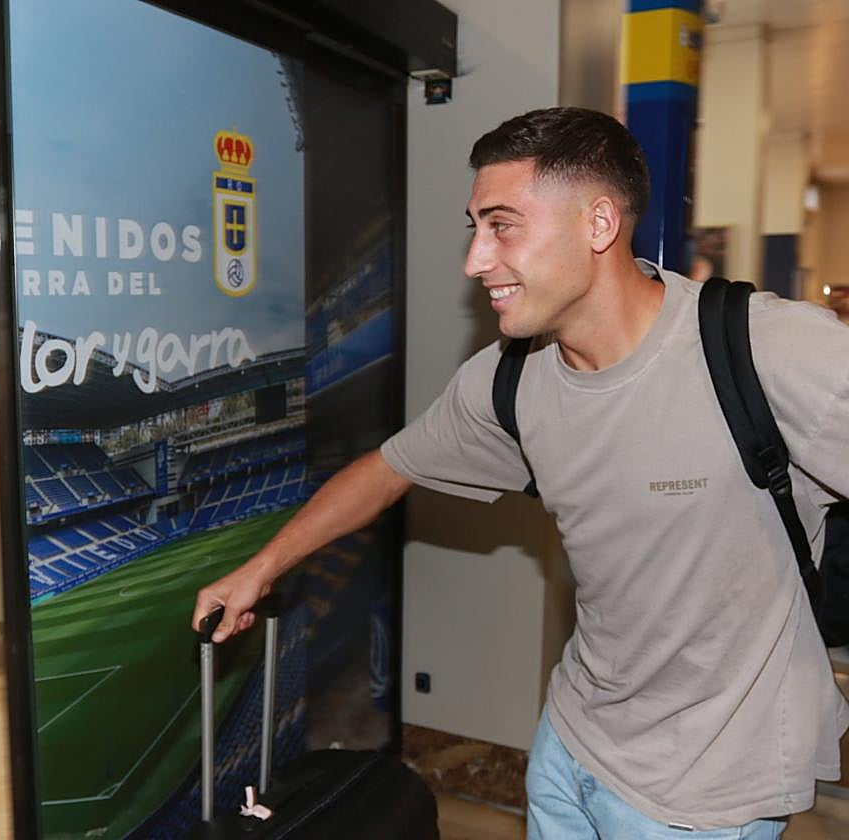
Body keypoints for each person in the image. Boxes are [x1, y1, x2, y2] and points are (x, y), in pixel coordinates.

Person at [192, 107, 849, 838]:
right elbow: (386, 469)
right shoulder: (508, 381)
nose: (475, 260)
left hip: (702, 799)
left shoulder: (769, 350)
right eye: (475, 227)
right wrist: (261, 569)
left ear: (599, 224)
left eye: (502, 226)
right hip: (570, 744)